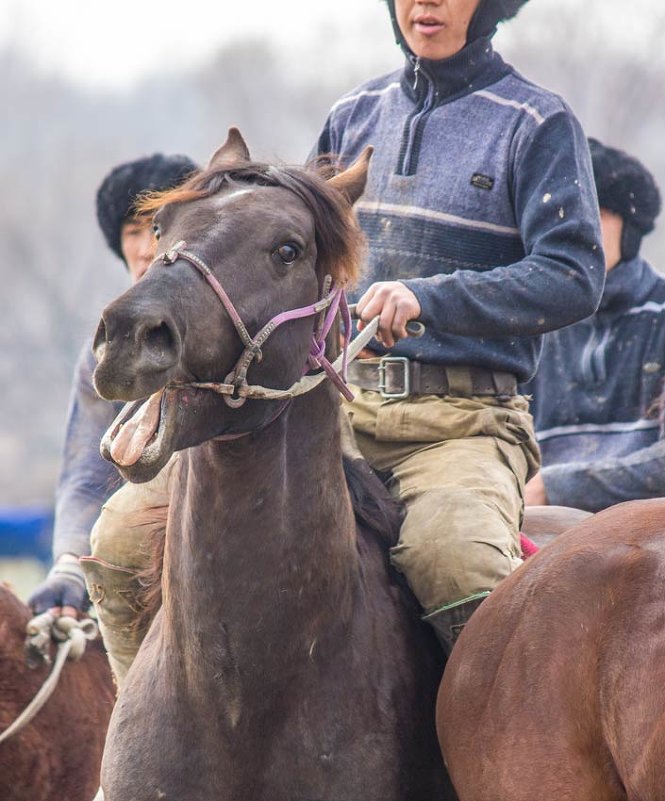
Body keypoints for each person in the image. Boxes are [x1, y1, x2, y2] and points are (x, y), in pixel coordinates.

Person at [313, 0, 604, 653]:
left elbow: (573, 276)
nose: (427, 2)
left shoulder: (538, 123)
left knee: (455, 560)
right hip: (334, 413)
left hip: (463, 426)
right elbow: (296, 264)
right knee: (137, 539)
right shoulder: (350, 115)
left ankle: (522, 746)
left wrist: (429, 299)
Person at [28, 154, 197, 634]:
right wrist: (68, 564)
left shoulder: (223, 329)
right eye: (132, 233)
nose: (145, 249)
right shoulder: (100, 351)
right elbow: (85, 472)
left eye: (157, 230)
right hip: (131, 560)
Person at [523, 138, 665, 512]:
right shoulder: (530, 324)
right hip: (537, 530)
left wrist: (555, 488)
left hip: (647, 536)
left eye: (593, 215)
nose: (576, 230)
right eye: (562, 214)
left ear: (631, 228)